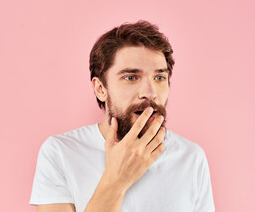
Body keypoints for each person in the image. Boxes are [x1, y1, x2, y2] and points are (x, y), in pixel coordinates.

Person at [29, 20, 215, 212]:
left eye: (159, 77)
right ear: (100, 89)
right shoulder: (60, 152)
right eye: (131, 77)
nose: (150, 92)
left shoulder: (191, 157)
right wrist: (116, 180)